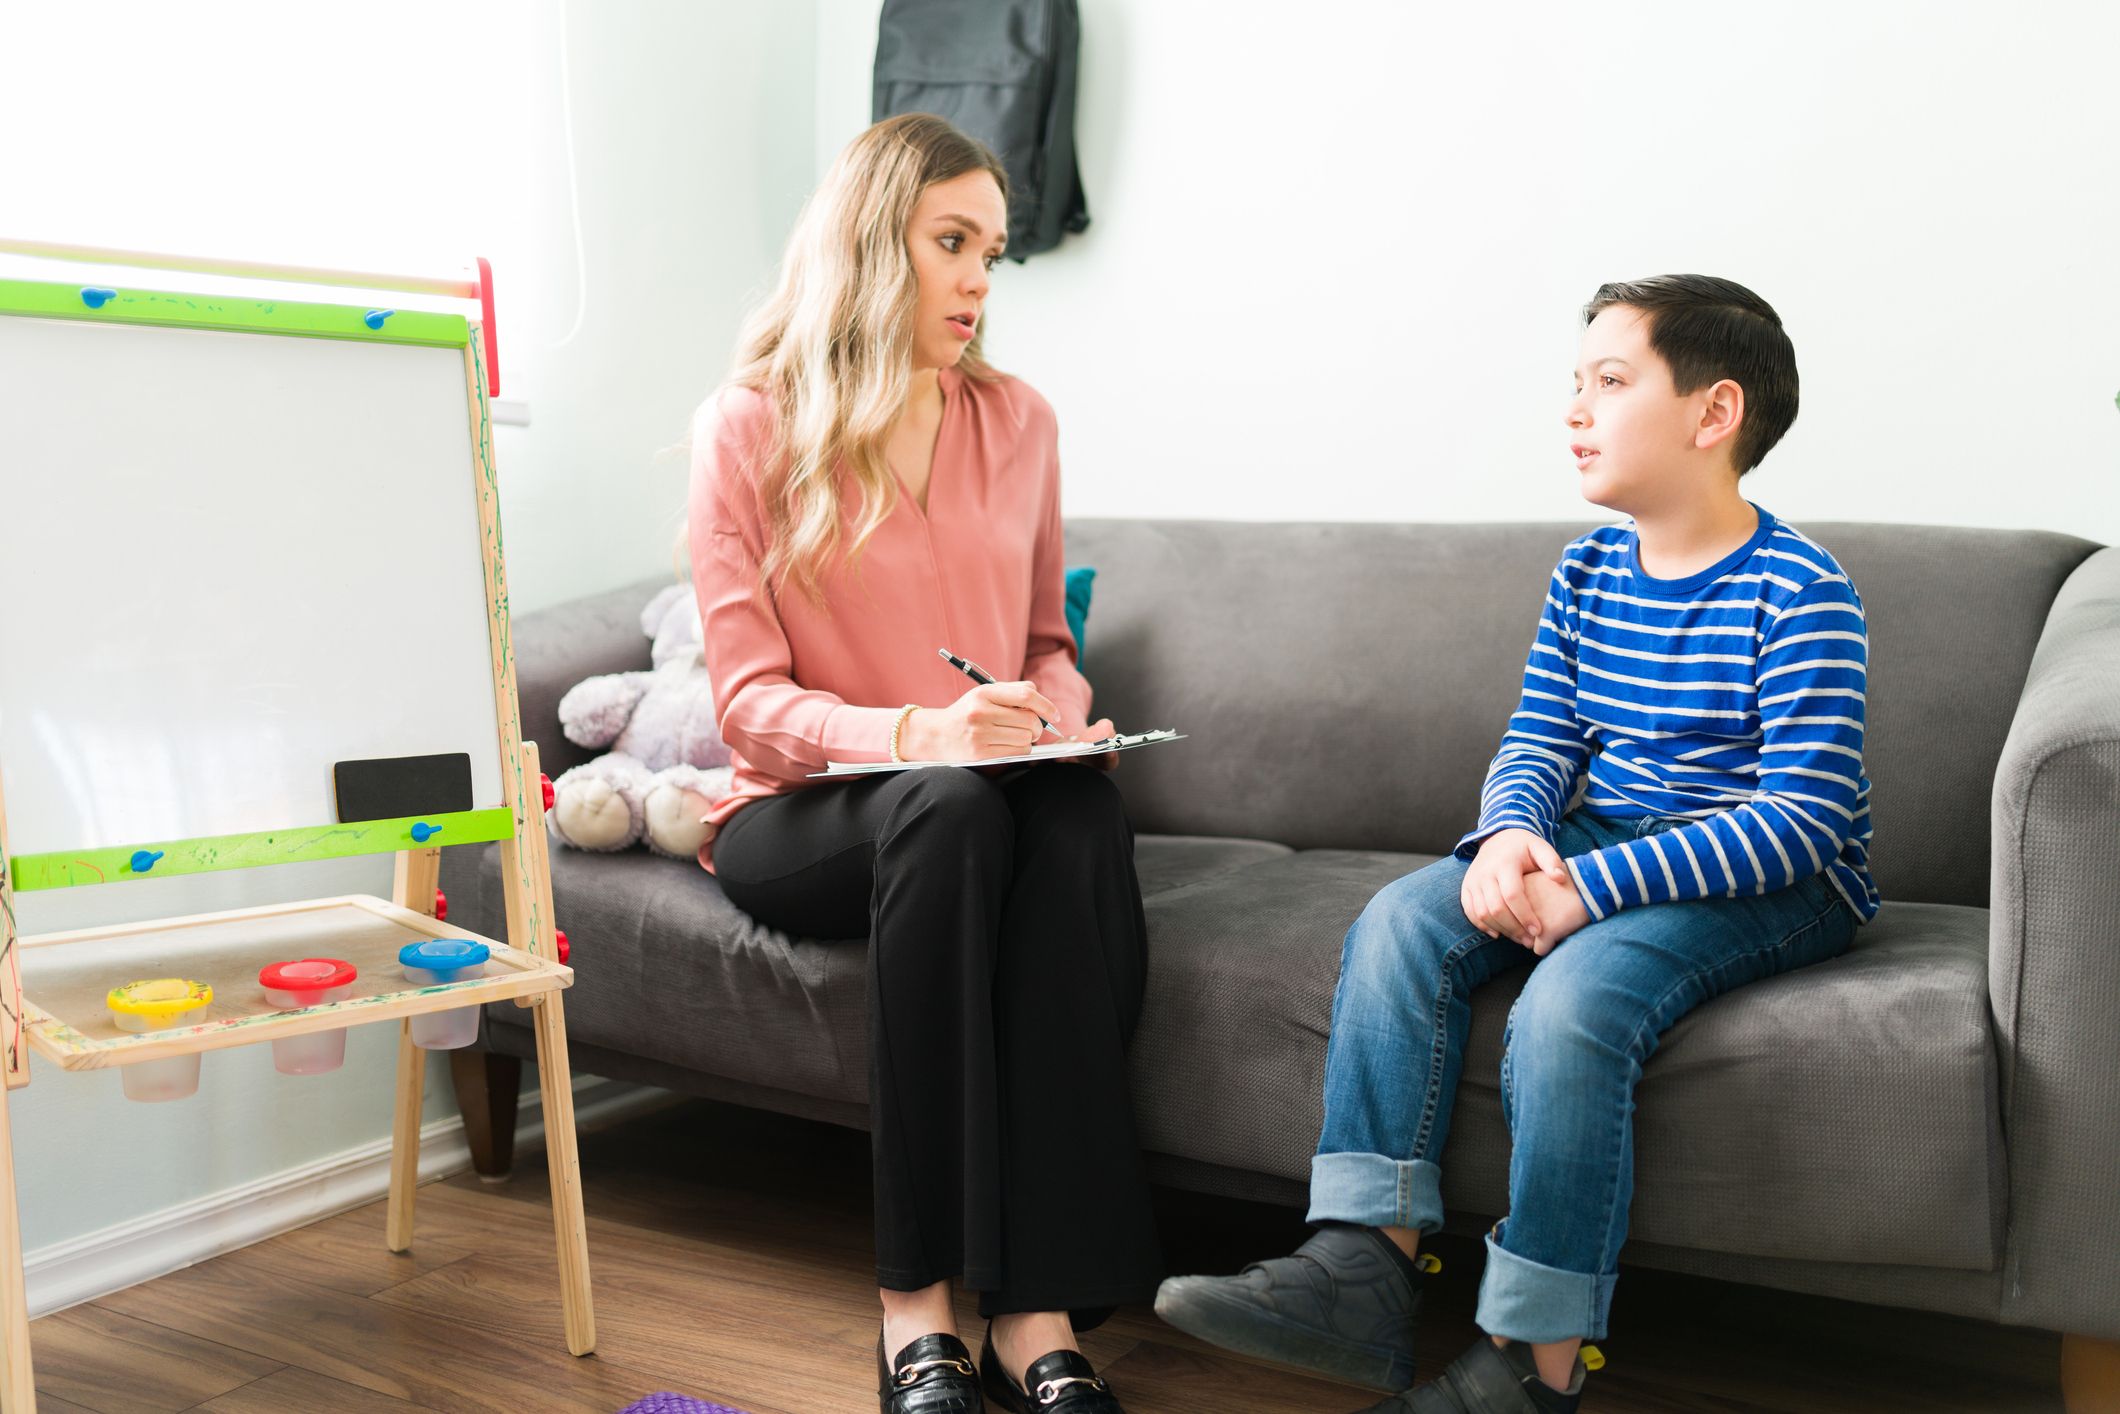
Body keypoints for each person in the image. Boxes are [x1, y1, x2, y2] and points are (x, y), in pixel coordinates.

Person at [1154, 275, 1879, 1413]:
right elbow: (1541, 734)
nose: (1574, 409)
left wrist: (1590, 888)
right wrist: (1507, 836)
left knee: (1569, 1004)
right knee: (1402, 920)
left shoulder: (1801, 590)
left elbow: (1802, 819)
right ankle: (1361, 1268)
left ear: (1713, 412)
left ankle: (1533, 1365)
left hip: (1771, 871)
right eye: (1574, 382)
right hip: (1607, 835)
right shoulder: (1586, 571)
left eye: (1610, 381)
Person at [685, 113, 1156, 1414]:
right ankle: (915, 1301)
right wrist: (916, 736)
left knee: (1076, 816)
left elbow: (1049, 644)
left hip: (981, 796)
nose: (977, 280)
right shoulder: (748, 427)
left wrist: (1054, 719)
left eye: (991, 253)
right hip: (808, 814)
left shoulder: (1020, 422)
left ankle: (1034, 1306)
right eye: (951, 242)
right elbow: (749, 708)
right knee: (947, 810)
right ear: (868, 240)